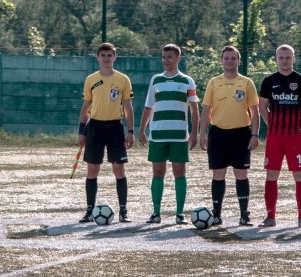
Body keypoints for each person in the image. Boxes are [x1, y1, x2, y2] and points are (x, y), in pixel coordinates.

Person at [197, 45, 261, 226]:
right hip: (218, 134)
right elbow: (206, 111)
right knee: (218, 174)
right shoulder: (214, 82)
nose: (230, 61)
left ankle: (244, 214)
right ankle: (216, 214)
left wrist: (254, 134)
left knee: (241, 173)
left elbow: (255, 112)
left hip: (241, 134)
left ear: (239, 61)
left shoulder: (247, 83)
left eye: (233, 58)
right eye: (227, 58)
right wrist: (202, 135)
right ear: (221, 61)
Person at [138, 44, 199, 225]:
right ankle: (156, 212)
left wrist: (194, 133)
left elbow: (194, 110)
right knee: (158, 172)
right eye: (164, 57)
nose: (166, 60)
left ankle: (179, 214)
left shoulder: (188, 81)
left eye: (170, 57)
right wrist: (142, 130)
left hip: (180, 136)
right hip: (157, 135)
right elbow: (149, 106)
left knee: (179, 173)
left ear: (178, 58)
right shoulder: (156, 80)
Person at [258, 44, 301, 227]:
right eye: (281, 57)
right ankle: (270, 217)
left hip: (295, 137)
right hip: (275, 137)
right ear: (276, 58)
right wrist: (273, 125)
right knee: (271, 175)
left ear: (294, 58)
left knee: (300, 176)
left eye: (288, 57)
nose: (284, 61)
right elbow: (262, 107)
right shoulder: (268, 81)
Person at [77, 42, 135, 223]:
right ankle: (89, 210)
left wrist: (131, 131)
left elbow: (128, 107)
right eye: (103, 55)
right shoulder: (90, 79)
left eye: (109, 55)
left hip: (115, 128)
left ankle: (123, 210)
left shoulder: (122, 79)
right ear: (98, 57)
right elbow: (85, 106)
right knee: (92, 169)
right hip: (95, 127)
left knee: (119, 168)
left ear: (114, 57)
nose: (106, 58)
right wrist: (81, 131)